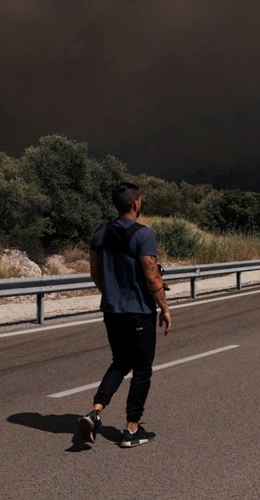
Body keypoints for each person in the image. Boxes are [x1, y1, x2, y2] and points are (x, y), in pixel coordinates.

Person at [76, 182, 172, 448]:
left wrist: (112, 294)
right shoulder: (144, 234)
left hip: (112, 310)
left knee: (120, 362)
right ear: (137, 203)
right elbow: (152, 277)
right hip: (138, 312)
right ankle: (131, 429)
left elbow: (95, 273)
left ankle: (96, 411)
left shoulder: (100, 234)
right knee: (142, 370)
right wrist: (164, 307)